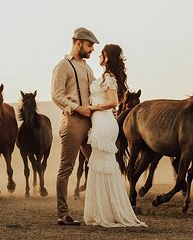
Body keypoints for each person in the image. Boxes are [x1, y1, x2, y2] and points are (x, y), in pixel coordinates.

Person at [84, 44, 147, 227]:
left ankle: (108, 212)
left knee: (103, 166)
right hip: (100, 122)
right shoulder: (105, 77)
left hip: (104, 122)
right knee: (100, 166)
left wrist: (93, 107)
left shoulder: (110, 78)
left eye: (102, 55)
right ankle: (103, 210)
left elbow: (113, 102)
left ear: (107, 58)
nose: (99, 58)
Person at [51, 27, 99, 226]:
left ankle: (100, 209)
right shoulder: (63, 65)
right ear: (78, 42)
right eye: (89, 45)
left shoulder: (87, 68)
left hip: (90, 123)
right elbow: (56, 95)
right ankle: (63, 214)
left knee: (97, 164)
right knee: (66, 168)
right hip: (72, 122)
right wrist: (77, 108)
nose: (92, 50)